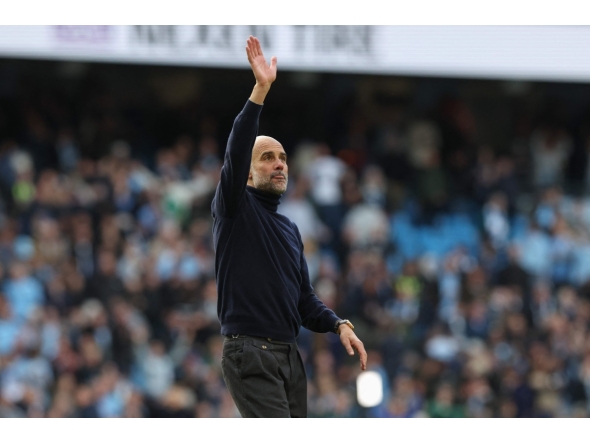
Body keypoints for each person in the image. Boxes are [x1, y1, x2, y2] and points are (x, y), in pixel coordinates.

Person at [211, 36, 367, 418]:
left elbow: (303, 302)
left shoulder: (289, 229)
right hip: (250, 353)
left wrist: (338, 324)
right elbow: (235, 150)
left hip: (288, 355)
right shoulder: (234, 208)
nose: (279, 164)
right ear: (247, 173)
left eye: (282, 157)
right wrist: (260, 91)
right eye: (267, 158)